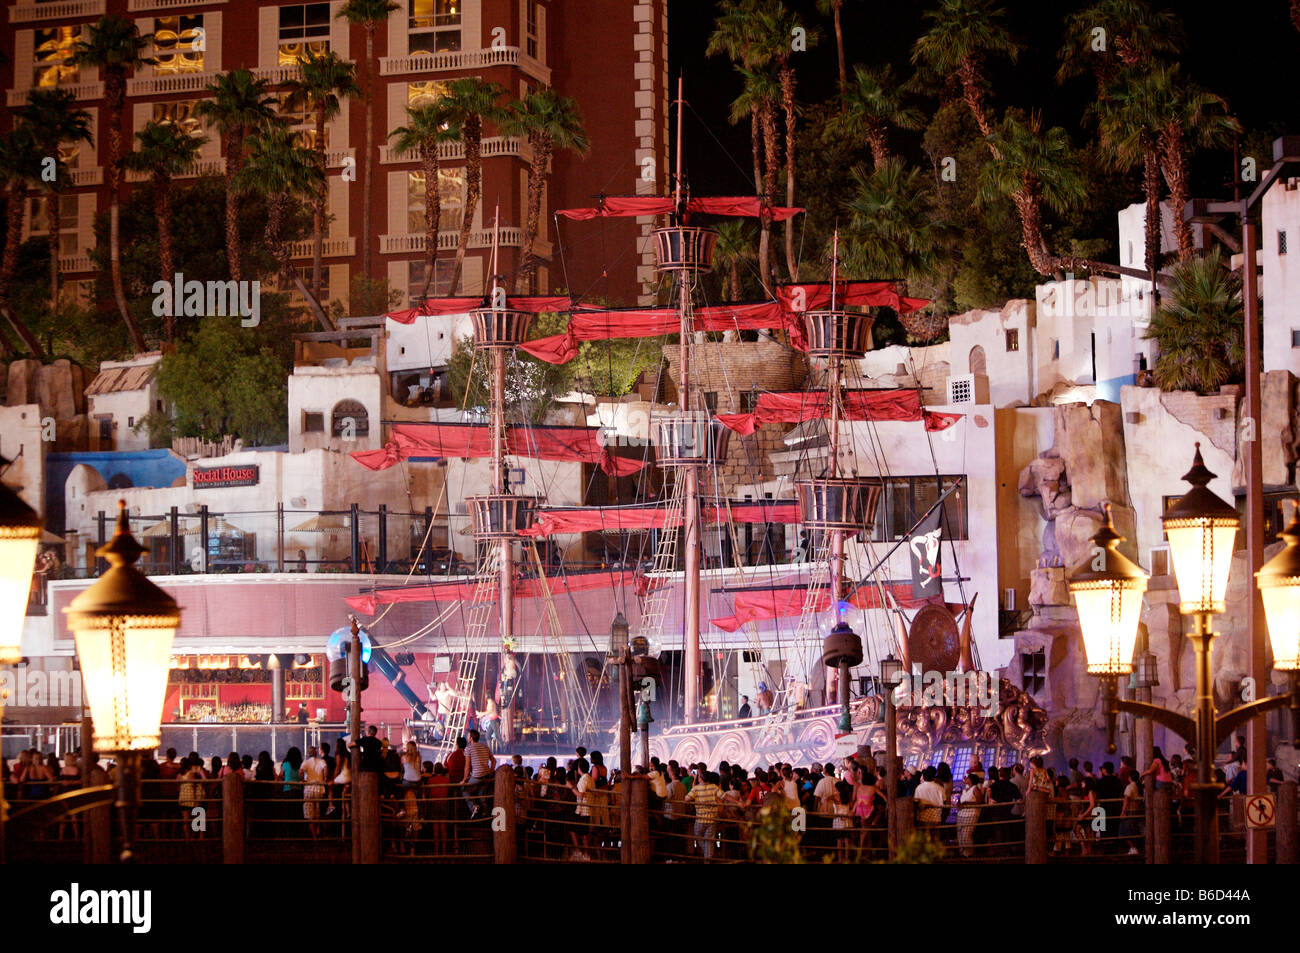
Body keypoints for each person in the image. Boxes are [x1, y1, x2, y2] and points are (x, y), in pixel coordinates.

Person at [686, 770, 722, 860]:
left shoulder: (696, 789)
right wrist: (737, 802)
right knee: (709, 841)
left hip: (700, 819)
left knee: (698, 836)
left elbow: (686, 799)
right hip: (712, 819)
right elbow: (724, 796)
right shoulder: (714, 787)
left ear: (700, 778)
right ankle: (708, 856)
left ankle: (707, 855)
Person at [462, 729, 495, 817]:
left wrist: (464, 780)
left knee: (465, 791)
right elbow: (493, 761)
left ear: (471, 738)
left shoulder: (468, 749)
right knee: (481, 793)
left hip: (477, 776)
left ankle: (473, 807)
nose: (467, 737)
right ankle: (485, 813)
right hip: (486, 775)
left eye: (468, 736)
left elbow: (467, 766)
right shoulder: (485, 747)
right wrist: (490, 772)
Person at [300, 745, 328, 839]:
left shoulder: (306, 762)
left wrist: (302, 780)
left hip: (309, 788)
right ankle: (318, 830)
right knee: (318, 811)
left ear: (308, 753)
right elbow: (325, 770)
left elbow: (301, 772)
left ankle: (314, 837)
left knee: (309, 814)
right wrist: (324, 778)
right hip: (319, 788)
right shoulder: (322, 761)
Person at [957, 771, 985, 858]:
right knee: (960, 834)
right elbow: (961, 801)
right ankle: (962, 852)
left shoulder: (975, 789)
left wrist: (967, 804)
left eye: (967, 778)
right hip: (961, 814)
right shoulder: (965, 790)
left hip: (971, 815)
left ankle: (968, 853)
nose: (965, 779)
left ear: (971, 780)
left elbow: (979, 802)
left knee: (966, 834)